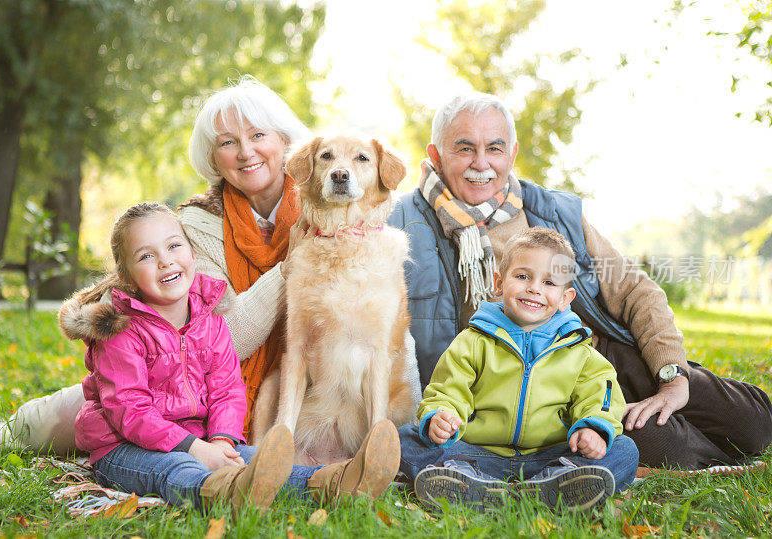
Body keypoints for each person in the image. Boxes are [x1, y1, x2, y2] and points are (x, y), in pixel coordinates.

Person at [0, 76, 420, 455]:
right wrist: (291, 268)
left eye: (258, 136)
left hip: (302, 390)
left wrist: (409, 411)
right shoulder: (197, 225)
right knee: (95, 406)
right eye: (228, 143)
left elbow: (384, 324)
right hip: (202, 382)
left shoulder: (339, 206)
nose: (246, 152)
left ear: (284, 143)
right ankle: (8, 434)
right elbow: (225, 335)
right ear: (214, 158)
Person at [387, 91, 772, 470]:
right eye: (465, 148)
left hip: (600, 355)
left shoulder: (553, 212)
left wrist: (670, 376)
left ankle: (690, 419)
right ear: (436, 156)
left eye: (495, 148)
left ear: (513, 154)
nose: (481, 163)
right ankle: (688, 449)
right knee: (670, 447)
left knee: (754, 423)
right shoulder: (401, 226)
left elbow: (635, 289)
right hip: (536, 395)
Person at [66, 201, 400, 510]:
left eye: (173, 246)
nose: (166, 260)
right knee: (175, 467)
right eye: (146, 256)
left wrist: (222, 441)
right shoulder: (121, 332)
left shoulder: (210, 322)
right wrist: (197, 450)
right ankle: (223, 493)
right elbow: (130, 411)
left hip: (200, 439)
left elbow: (227, 391)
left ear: (192, 254)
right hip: (124, 448)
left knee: (256, 458)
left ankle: (330, 483)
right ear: (125, 277)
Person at [398, 228, 638, 513]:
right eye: (523, 276)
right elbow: (448, 388)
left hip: (551, 456)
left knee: (624, 450)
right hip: (479, 453)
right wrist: (441, 417)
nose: (534, 288)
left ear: (565, 298)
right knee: (404, 439)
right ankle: (472, 480)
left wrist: (593, 428)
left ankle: (556, 482)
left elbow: (601, 395)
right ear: (499, 283)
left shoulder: (579, 351)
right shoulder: (474, 341)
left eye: (549, 282)